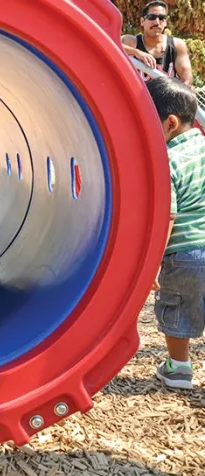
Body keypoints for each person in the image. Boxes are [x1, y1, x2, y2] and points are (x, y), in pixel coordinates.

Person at [147, 76, 204, 389]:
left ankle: (179, 368)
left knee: (179, 306)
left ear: (170, 122)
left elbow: (168, 215)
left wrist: (153, 259)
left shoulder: (166, 161)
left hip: (187, 252)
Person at [121, 1, 193, 86]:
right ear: (142, 21)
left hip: (166, 98)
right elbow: (112, 47)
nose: (157, 22)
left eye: (161, 18)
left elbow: (187, 81)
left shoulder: (177, 46)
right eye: (152, 17)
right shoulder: (131, 42)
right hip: (136, 98)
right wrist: (136, 52)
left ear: (165, 22)